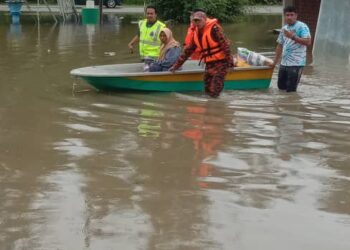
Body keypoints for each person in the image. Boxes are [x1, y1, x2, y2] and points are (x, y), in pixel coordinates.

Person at [170, 9, 234, 98]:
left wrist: (230, 63)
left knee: (214, 90)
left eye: (198, 20)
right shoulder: (196, 33)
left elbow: (225, 46)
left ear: (204, 19)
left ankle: (217, 109)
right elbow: (187, 52)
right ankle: (210, 108)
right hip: (209, 64)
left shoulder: (214, 29)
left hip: (221, 63)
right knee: (207, 89)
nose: (196, 23)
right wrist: (176, 66)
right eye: (194, 20)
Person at [271, 6, 311, 92]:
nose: (289, 17)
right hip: (284, 63)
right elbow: (280, 45)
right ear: (284, 16)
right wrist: (274, 62)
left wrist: (292, 36)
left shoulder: (302, 27)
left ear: (296, 15)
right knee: (281, 88)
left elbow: (308, 42)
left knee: (291, 91)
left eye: (292, 15)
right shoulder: (284, 28)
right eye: (287, 15)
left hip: (296, 64)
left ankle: (292, 104)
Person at [128, 5, 166, 71]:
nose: (149, 15)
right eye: (148, 13)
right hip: (143, 56)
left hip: (154, 58)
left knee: (148, 73)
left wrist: (162, 57)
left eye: (151, 14)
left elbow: (166, 42)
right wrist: (131, 43)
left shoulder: (161, 27)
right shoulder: (141, 23)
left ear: (156, 14)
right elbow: (139, 35)